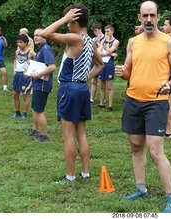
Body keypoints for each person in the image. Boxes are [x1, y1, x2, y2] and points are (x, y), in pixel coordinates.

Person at [114, 1, 171, 213]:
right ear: (139, 17)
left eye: (152, 15)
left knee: (155, 150)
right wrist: (122, 71)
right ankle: (141, 189)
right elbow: (129, 70)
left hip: (156, 102)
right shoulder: (133, 42)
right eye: (145, 15)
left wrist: (169, 84)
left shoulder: (168, 42)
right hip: (133, 100)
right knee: (135, 146)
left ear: (159, 17)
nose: (149, 19)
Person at [41, 4, 104, 183]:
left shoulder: (75, 38)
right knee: (81, 133)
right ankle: (85, 172)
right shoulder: (89, 40)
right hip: (82, 89)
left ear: (74, 21)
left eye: (69, 21)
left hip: (69, 89)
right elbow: (100, 65)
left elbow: (45, 33)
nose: (67, 25)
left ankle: (70, 176)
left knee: (68, 135)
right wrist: (84, 78)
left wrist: (64, 19)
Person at [25, 28, 56, 142]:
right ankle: (35, 130)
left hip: (43, 85)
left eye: (39, 35)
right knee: (35, 108)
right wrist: (30, 85)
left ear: (45, 37)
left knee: (39, 110)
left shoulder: (46, 49)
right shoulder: (40, 49)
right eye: (35, 35)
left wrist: (38, 75)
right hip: (37, 84)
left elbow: (52, 67)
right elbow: (36, 68)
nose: (36, 37)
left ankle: (44, 135)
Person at [11, 34, 36, 120]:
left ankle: (24, 113)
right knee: (15, 94)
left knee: (25, 95)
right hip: (17, 75)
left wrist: (30, 72)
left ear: (26, 43)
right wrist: (14, 69)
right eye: (17, 42)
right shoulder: (17, 52)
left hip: (25, 77)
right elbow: (15, 60)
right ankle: (17, 112)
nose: (19, 44)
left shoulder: (31, 53)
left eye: (21, 42)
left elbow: (38, 63)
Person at [98, 25, 119, 112]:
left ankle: (110, 106)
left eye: (108, 31)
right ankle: (101, 103)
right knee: (102, 85)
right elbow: (99, 52)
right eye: (105, 31)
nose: (106, 33)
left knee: (109, 86)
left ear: (112, 32)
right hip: (102, 64)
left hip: (109, 65)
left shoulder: (115, 41)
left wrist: (107, 44)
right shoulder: (102, 41)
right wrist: (110, 54)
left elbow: (109, 50)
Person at [90, 21, 105, 103]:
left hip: (102, 62)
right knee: (93, 80)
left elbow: (102, 50)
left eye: (96, 30)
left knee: (102, 82)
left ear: (100, 29)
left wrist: (98, 42)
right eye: (93, 31)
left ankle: (103, 98)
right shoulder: (93, 39)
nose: (94, 32)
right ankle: (91, 98)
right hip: (94, 61)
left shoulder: (105, 38)